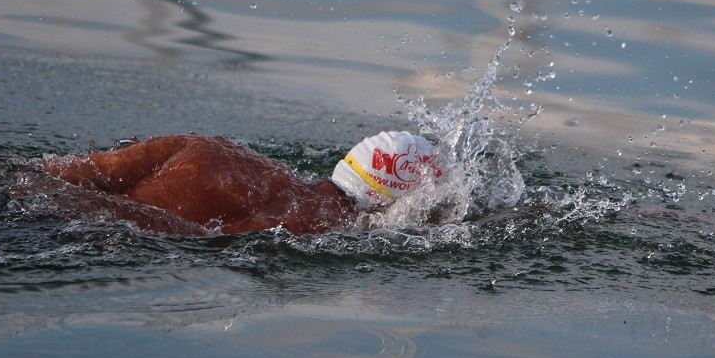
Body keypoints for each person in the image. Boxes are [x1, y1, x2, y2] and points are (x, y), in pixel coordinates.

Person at [39, 131, 442, 236]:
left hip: (26, 209)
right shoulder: (321, 227)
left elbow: (59, 175)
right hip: (80, 235)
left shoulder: (207, 148)